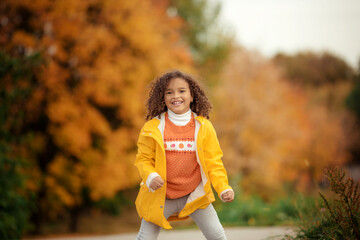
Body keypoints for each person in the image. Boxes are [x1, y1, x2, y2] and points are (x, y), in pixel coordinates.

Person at [135, 70, 234, 240]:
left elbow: (214, 162)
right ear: (163, 98)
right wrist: (151, 176)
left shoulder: (203, 127)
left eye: (182, 91)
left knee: (217, 236)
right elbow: (143, 159)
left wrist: (223, 187)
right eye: (169, 92)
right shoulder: (152, 127)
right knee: (145, 238)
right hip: (161, 195)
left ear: (192, 95)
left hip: (195, 195)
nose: (176, 96)